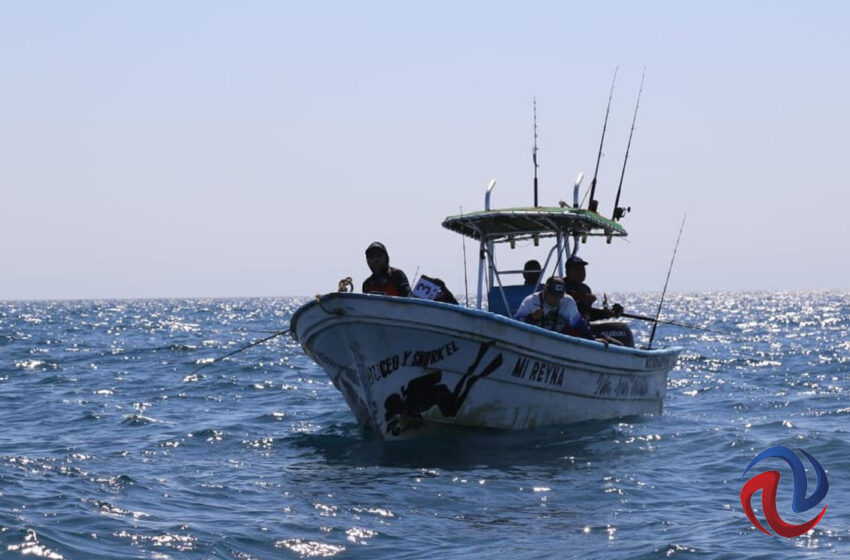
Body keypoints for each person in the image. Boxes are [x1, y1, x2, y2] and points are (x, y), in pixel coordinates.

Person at [513, 276, 593, 339]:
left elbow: (579, 325)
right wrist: (531, 317)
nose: (556, 300)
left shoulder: (568, 302)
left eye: (559, 297)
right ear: (545, 291)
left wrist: (593, 339)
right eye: (553, 296)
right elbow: (515, 325)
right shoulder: (530, 301)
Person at [564, 255, 623, 321]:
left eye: (582, 269)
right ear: (567, 272)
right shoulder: (562, 286)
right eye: (577, 269)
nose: (581, 272)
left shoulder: (585, 289)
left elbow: (588, 314)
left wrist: (608, 314)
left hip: (582, 327)